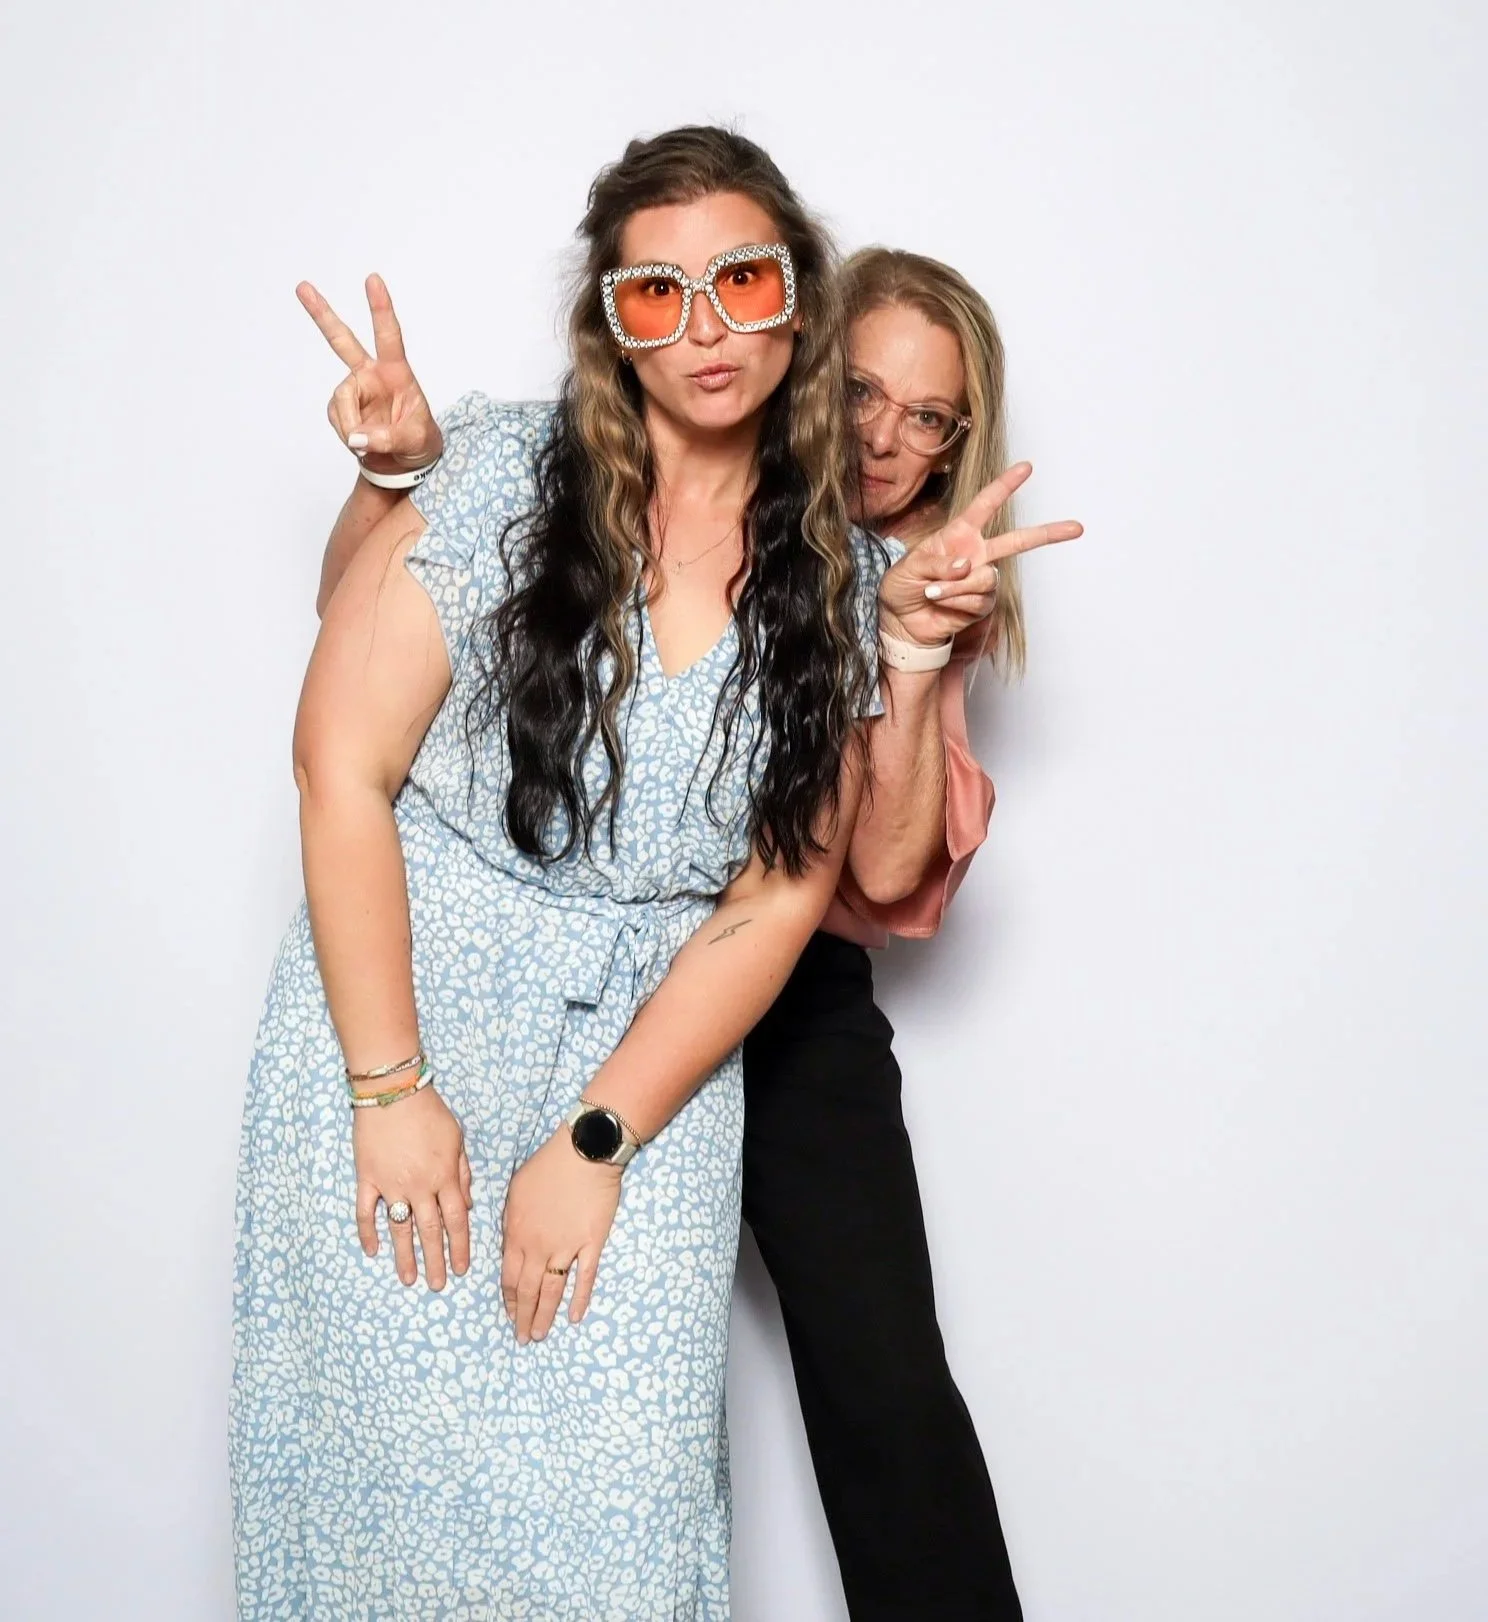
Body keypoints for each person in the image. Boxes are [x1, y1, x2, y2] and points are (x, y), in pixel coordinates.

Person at [233, 126, 1036, 1620]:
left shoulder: (869, 582)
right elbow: (343, 745)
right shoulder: (502, 467)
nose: (708, 326)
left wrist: (600, 1139)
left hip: (698, 1022)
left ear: (798, 300)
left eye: (745, 281)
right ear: (610, 319)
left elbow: (826, 880)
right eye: (658, 292)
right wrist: (389, 1090)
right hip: (421, 1002)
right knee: (384, 1503)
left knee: (680, 1485)